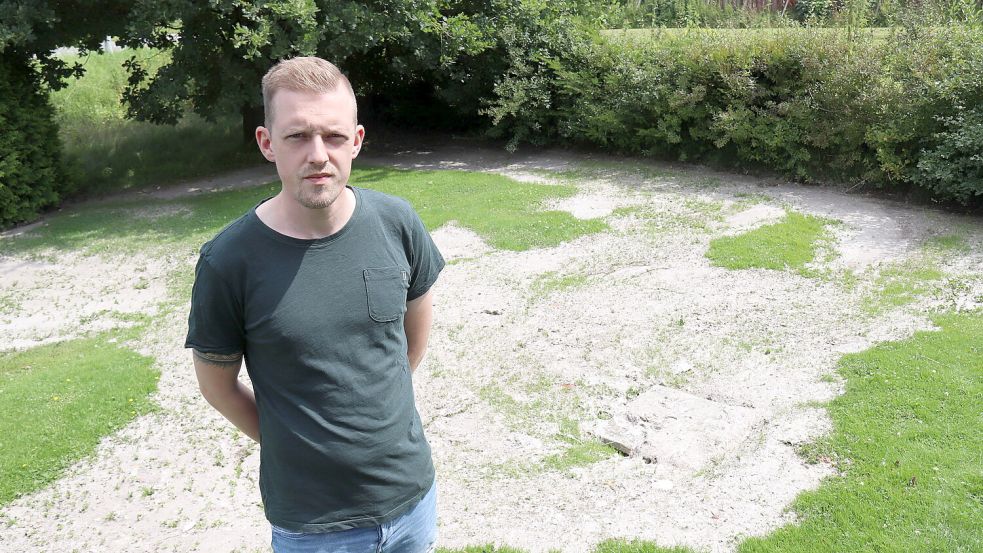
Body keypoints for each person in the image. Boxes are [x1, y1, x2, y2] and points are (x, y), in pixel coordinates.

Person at [185, 56, 444, 553]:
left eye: (334, 136)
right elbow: (217, 387)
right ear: (267, 143)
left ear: (358, 140)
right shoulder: (228, 261)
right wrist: (295, 441)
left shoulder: (397, 222)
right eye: (297, 136)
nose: (318, 155)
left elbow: (410, 346)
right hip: (313, 526)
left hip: (412, 500)